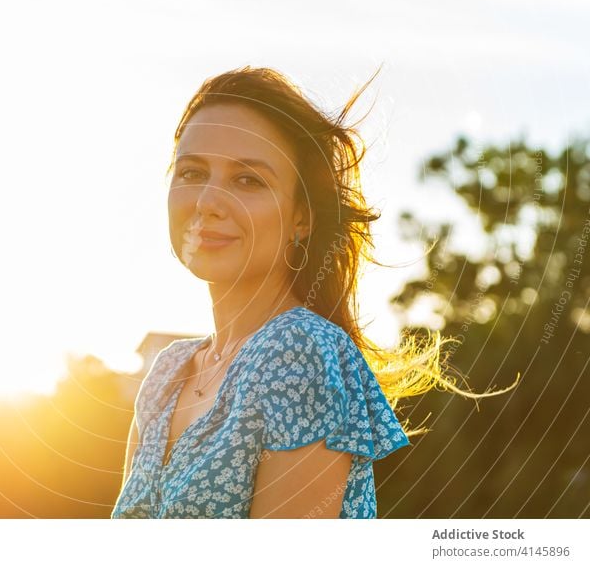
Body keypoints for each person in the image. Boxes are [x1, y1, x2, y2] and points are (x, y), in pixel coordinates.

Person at [111, 66, 482, 519]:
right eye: (192, 172)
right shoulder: (166, 374)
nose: (208, 201)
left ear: (302, 218)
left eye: (248, 180)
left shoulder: (300, 350)